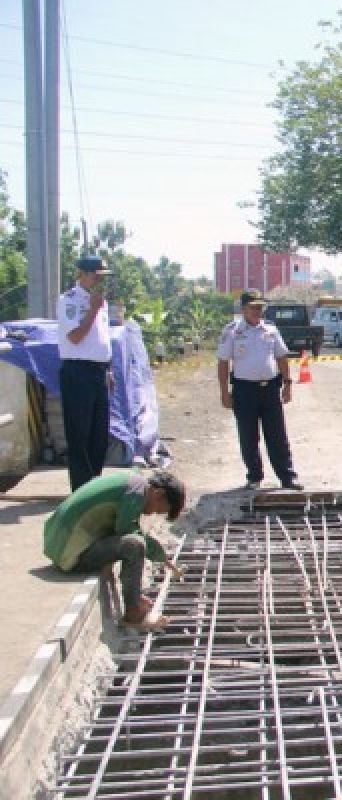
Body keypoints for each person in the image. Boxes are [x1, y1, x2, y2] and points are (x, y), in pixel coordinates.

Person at [43, 470, 185, 631]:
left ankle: (134, 600)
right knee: (135, 545)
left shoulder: (133, 482)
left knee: (131, 541)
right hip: (69, 552)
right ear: (158, 493)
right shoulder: (136, 494)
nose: (152, 513)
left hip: (57, 542)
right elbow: (127, 531)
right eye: (158, 510)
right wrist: (157, 552)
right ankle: (133, 614)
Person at [217, 290, 303, 490]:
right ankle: (254, 476)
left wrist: (288, 384)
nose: (257, 311)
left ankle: (287, 476)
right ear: (243, 309)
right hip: (244, 390)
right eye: (253, 307)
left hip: (270, 388)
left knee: (277, 435)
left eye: (260, 307)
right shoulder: (232, 331)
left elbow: (282, 356)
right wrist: (224, 392)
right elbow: (223, 363)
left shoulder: (271, 330)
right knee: (248, 435)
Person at [57, 255, 115, 491]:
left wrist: (108, 368)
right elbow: (75, 336)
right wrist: (92, 310)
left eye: (103, 277)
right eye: (96, 275)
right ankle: (80, 490)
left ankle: (93, 486)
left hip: (98, 372)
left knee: (99, 435)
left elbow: (101, 339)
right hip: (77, 371)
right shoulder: (69, 300)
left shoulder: (100, 302)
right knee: (80, 434)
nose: (99, 280)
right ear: (83, 274)